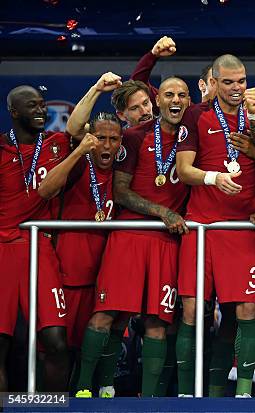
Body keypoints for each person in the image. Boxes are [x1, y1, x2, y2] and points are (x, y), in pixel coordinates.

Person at [74, 76, 191, 398]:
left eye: (182, 95)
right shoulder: (134, 137)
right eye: (168, 95)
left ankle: (150, 400)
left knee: (157, 322)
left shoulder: (190, 135)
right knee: (108, 314)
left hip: (167, 242)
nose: (174, 101)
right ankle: (88, 388)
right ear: (160, 99)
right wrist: (163, 213)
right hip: (130, 235)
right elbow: (121, 192)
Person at [176, 54, 255, 398]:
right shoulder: (196, 116)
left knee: (246, 309)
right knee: (191, 310)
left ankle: (243, 394)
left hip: (242, 230)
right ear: (213, 83)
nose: (235, 88)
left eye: (241, 81)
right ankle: (187, 395)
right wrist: (214, 178)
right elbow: (185, 170)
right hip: (201, 227)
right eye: (227, 82)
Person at [39, 72, 125, 398]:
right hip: (64, 275)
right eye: (100, 138)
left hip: (99, 278)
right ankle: (48, 406)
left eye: (113, 140)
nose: (106, 145)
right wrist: (97, 89)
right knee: (56, 351)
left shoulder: (122, 171)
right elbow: (74, 129)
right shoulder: (78, 165)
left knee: (87, 351)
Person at [0, 85, 72, 391]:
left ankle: (56, 409)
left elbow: (79, 125)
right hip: (2, 250)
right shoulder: (1, 149)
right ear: (15, 113)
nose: (41, 111)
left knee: (56, 342)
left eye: (43, 105)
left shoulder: (56, 145)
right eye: (32, 106)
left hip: (39, 248)